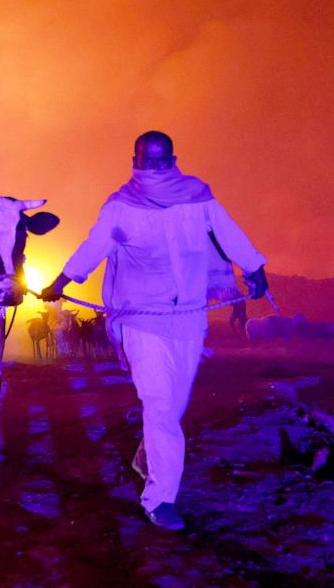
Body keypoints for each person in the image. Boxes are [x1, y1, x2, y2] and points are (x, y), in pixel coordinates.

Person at [40, 130, 269, 530]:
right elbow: (94, 247)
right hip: (141, 318)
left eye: (164, 161)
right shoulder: (120, 206)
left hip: (188, 321)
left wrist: (256, 269)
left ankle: (149, 456)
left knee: (172, 407)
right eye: (149, 161)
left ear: (175, 159)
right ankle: (160, 499)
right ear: (135, 161)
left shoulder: (198, 197)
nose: (157, 168)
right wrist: (61, 282)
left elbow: (230, 234)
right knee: (161, 406)